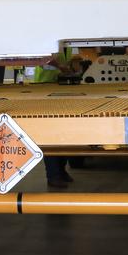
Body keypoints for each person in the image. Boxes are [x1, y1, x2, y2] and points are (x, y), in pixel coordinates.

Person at [32, 48, 87, 188]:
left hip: (60, 86)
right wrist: (61, 67)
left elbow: (70, 60)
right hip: (44, 86)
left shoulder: (66, 45)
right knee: (51, 133)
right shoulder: (50, 40)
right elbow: (42, 58)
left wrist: (72, 66)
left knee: (63, 131)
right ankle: (53, 175)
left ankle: (61, 171)